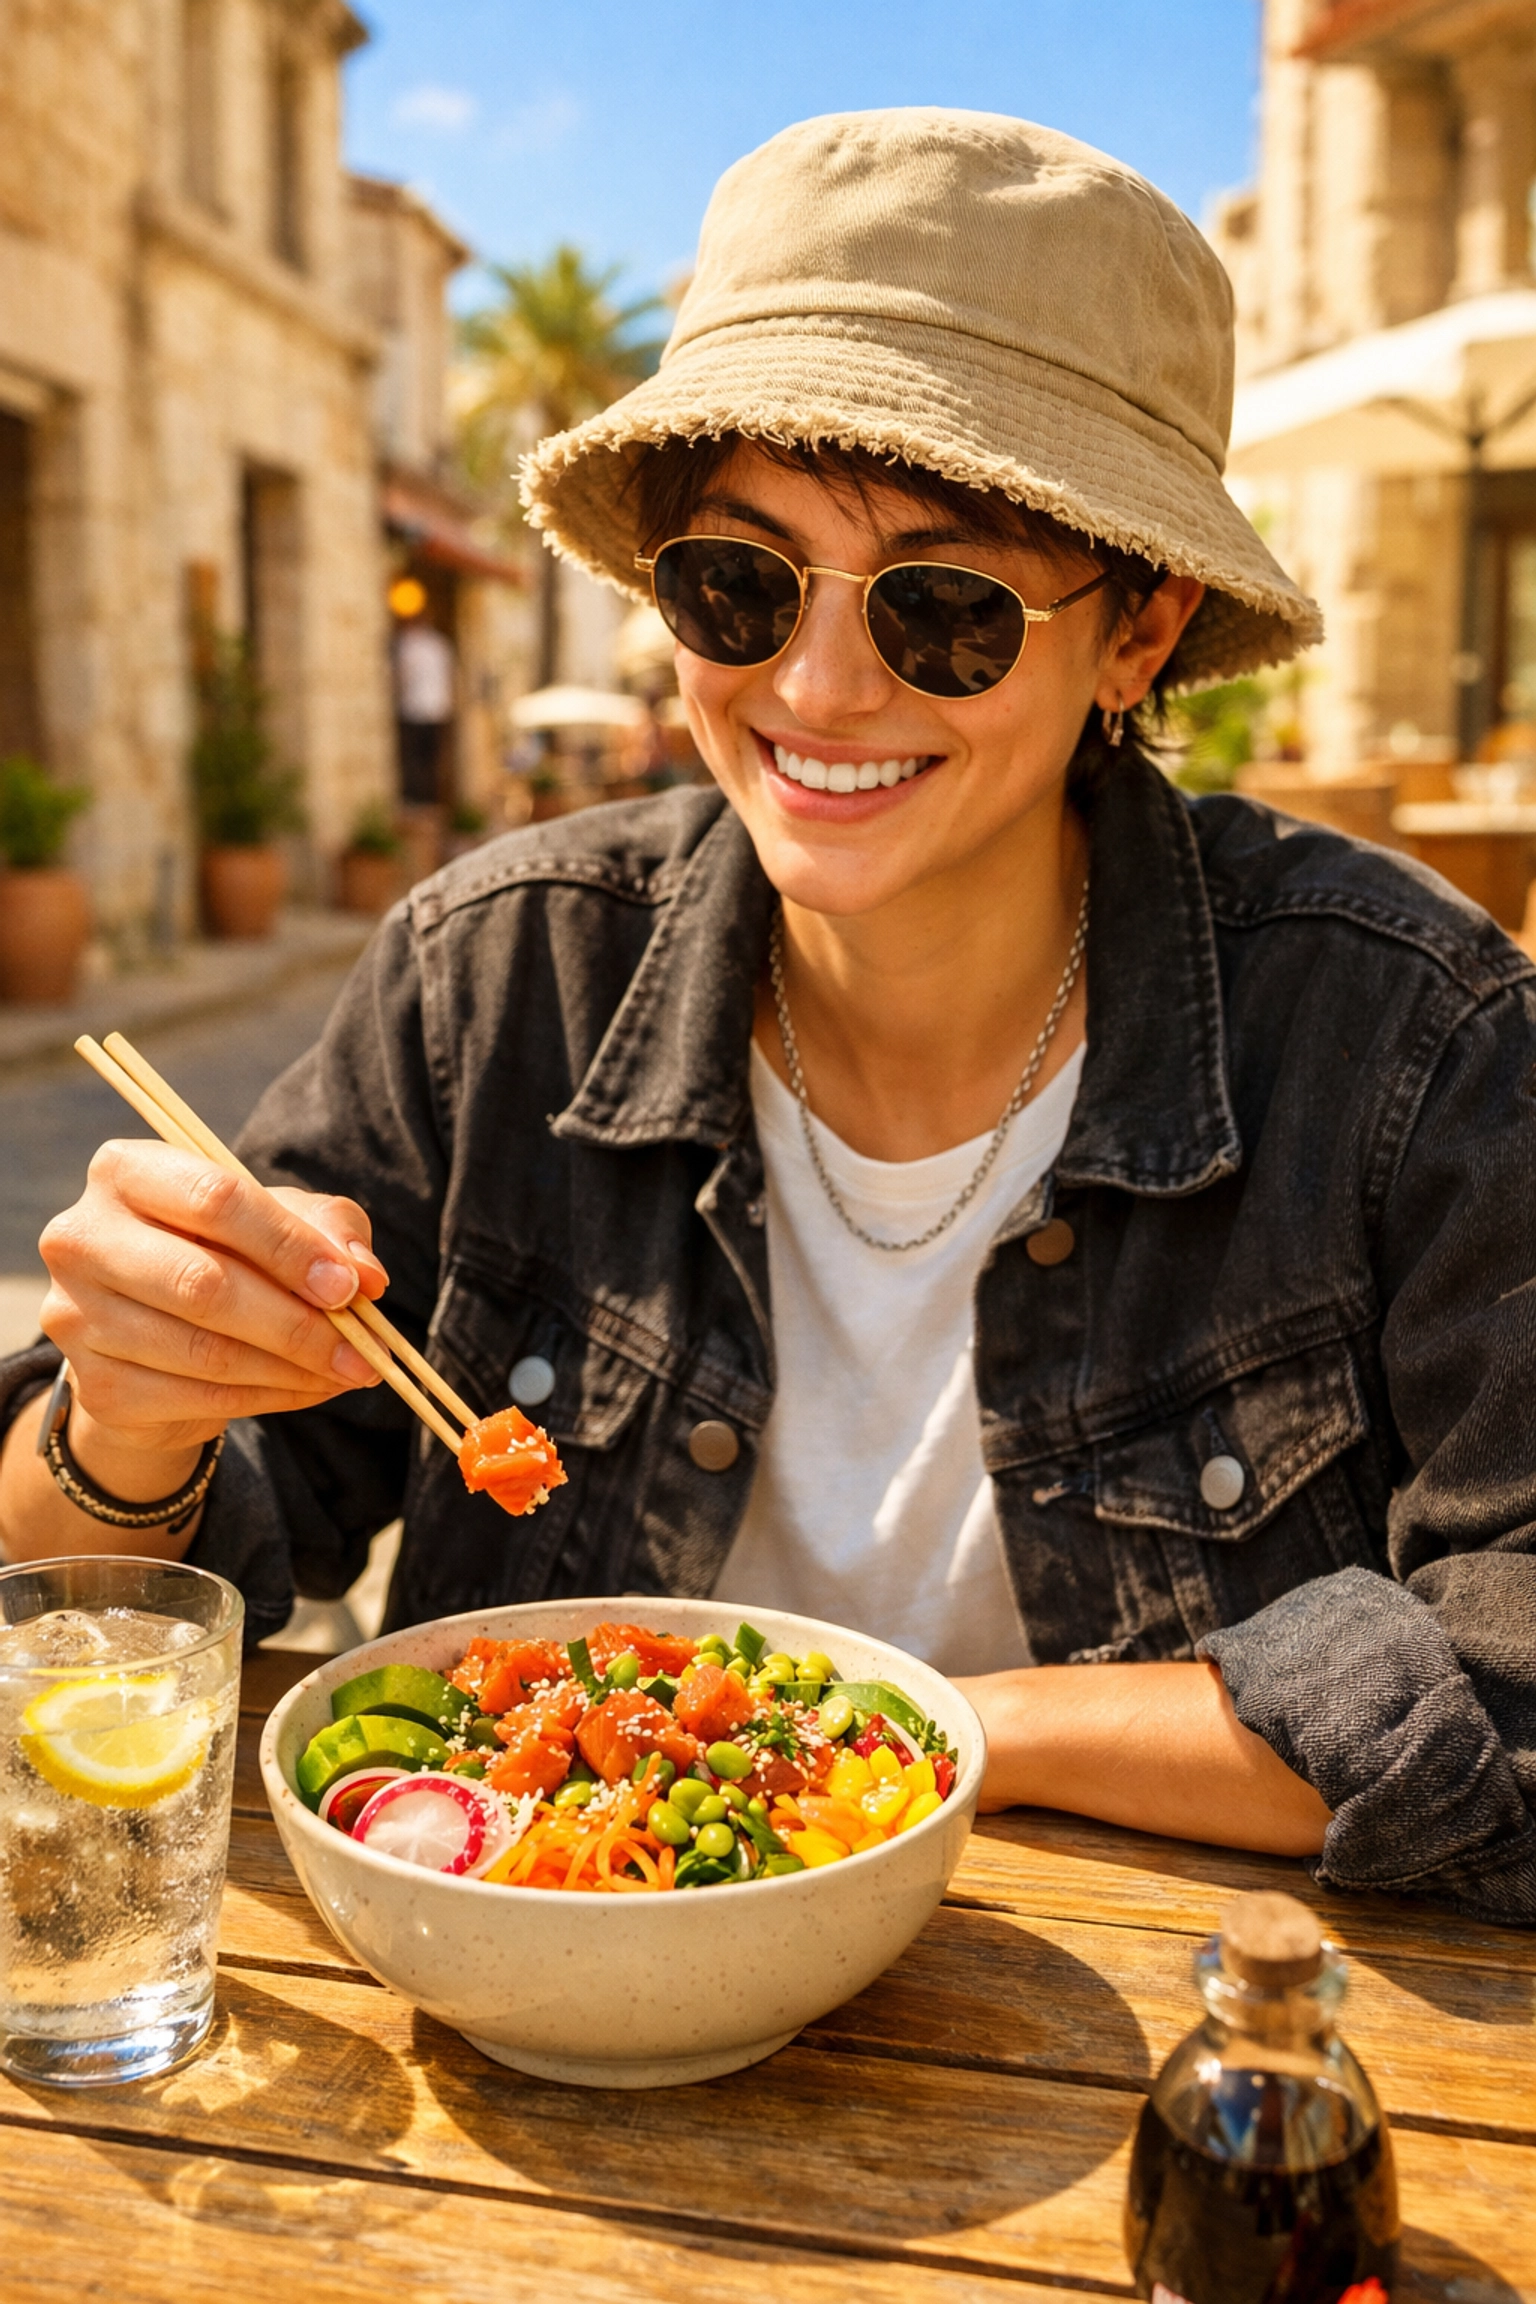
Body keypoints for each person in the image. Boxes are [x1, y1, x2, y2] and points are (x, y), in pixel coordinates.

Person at [3, 111, 1534, 1921]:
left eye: (944, 606)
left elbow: (1507, 1682)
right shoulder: (499, 973)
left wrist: (918, 1735)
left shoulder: (1407, 1036)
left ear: (1137, 631)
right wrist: (125, 1418)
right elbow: (136, 1595)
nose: (813, 686)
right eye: (736, 581)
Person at [392, 592, 455, 807]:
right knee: (430, 760)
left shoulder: (408, 644)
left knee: (414, 760)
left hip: (414, 708)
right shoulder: (440, 645)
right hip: (436, 708)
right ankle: (430, 801)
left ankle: (417, 802)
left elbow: (401, 675)